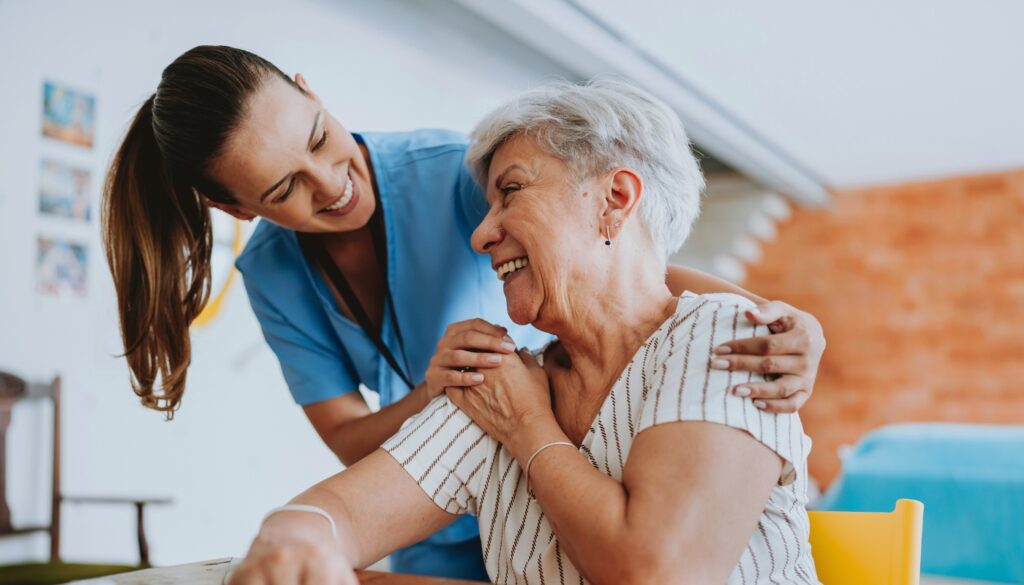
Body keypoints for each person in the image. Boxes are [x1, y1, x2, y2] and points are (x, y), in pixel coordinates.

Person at [101, 45, 825, 580]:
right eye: (286, 186)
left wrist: (771, 316)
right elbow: (347, 479)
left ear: (310, 92)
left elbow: (621, 267)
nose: (330, 184)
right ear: (239, 208)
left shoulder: (456, 172)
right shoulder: (283, 279)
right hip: (462, 515)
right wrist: (296, 528)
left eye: (320, 138)